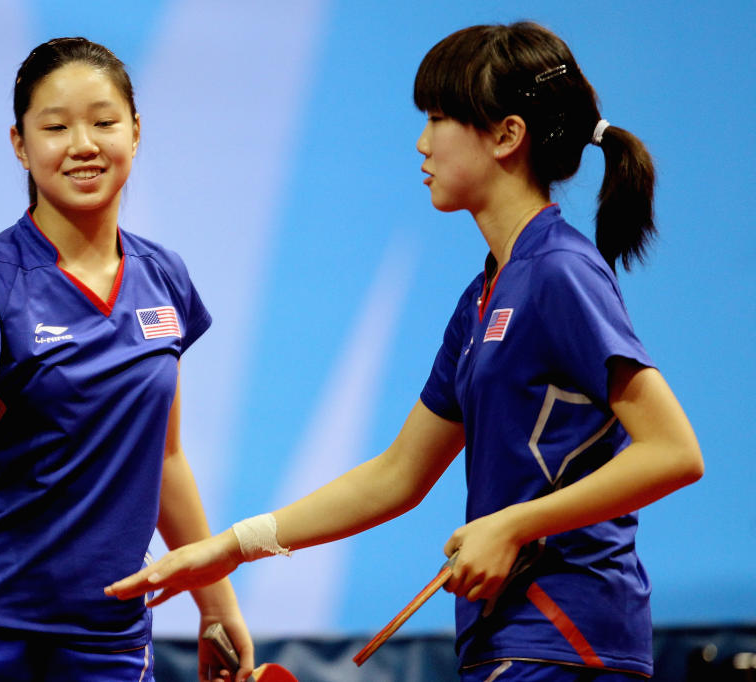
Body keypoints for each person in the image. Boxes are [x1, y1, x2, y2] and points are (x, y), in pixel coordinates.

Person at [107, 21, 703, 681]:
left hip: (569, 638)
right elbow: (396, 475)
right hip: (505, 637)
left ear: (507, 135)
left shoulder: (561, 271)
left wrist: (511, 526)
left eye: (441, 118)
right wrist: (232, 548)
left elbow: (673, 451)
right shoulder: (484, 295)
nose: (422, 143)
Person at [0, 37, 252, 682]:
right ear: (21, 145)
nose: (83, 144)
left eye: (104, 122)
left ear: (135, 133)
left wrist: (215, 602)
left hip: (105, 633)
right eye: (55, 127)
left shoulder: (164, 277)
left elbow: (163, 457)